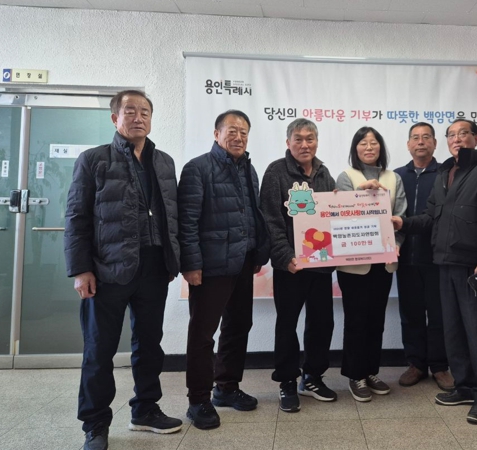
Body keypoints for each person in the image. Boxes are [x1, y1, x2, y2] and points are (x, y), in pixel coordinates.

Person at [64, 90, 182, 450]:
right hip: (106, 270)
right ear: (115, 118)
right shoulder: (94, 160)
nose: (138, 117)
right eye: (130, 111)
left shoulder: (164, 162)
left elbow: (171, 216)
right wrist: (81, 269)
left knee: (149, 345)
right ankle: (95, 424)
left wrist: (174, 259)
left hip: (154, 268)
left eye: (145, 111)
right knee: (99, 350)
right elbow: (76, 217)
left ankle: (145, 410)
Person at [393, 119, 477, 424]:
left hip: (474, 266)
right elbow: (430, 216)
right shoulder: (445, 172)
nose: (457, 139)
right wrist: (403, 223)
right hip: (444, 263)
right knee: (453, 330)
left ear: (475, 138)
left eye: (463, 133)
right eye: (452, 134)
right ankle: (465, 386)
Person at [178, 109, 270, 430]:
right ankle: (198, 400)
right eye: (232, 131)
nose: (239, 137)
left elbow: (252, 215)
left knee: (238, 324)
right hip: (210, 266)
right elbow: (187, 221)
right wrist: (191, 264)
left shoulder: (249, 169)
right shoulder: (198, 168)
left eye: (244, 132)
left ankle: (226, 387)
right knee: (203, 334)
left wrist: (258, 251)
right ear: (216, 134)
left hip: (243, 261)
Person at [259, 118, 337, 413]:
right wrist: (285, 256)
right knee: (287, 325)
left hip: (320, 265)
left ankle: (312, 377)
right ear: (288, 142)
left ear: (317, 141)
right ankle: (287, 381)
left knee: (322, 323)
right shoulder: (276, 172)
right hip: (290, 267)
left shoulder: (324, 173)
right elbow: (270, 219)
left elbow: (331, 216)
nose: (305, 145)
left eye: (310, 139)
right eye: (298, 139)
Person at [335, 127, 407, 402]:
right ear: (355, 148)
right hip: (354, 265)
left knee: (376, 320)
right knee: (356, 319)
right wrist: (360, 193)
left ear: (380, 147)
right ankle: (355, 375)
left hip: (383, 262)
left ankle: (371, 371)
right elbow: (341, 214)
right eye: (363, 143)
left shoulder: (393, 178)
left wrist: (396, 245)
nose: (368, 147)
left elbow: (400, 215)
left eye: (373, 142)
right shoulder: (346, 177)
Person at [393, 122, 453, 391]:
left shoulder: (446, 174)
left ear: (435, 143)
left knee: (439, 315)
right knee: (411, 314)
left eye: (426, 137)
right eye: (415, 138)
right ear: (408, 144)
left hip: (437, 258)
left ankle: (439, 366)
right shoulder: (396, 176)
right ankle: (416, 364)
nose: (421, 142)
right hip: (405, 257)